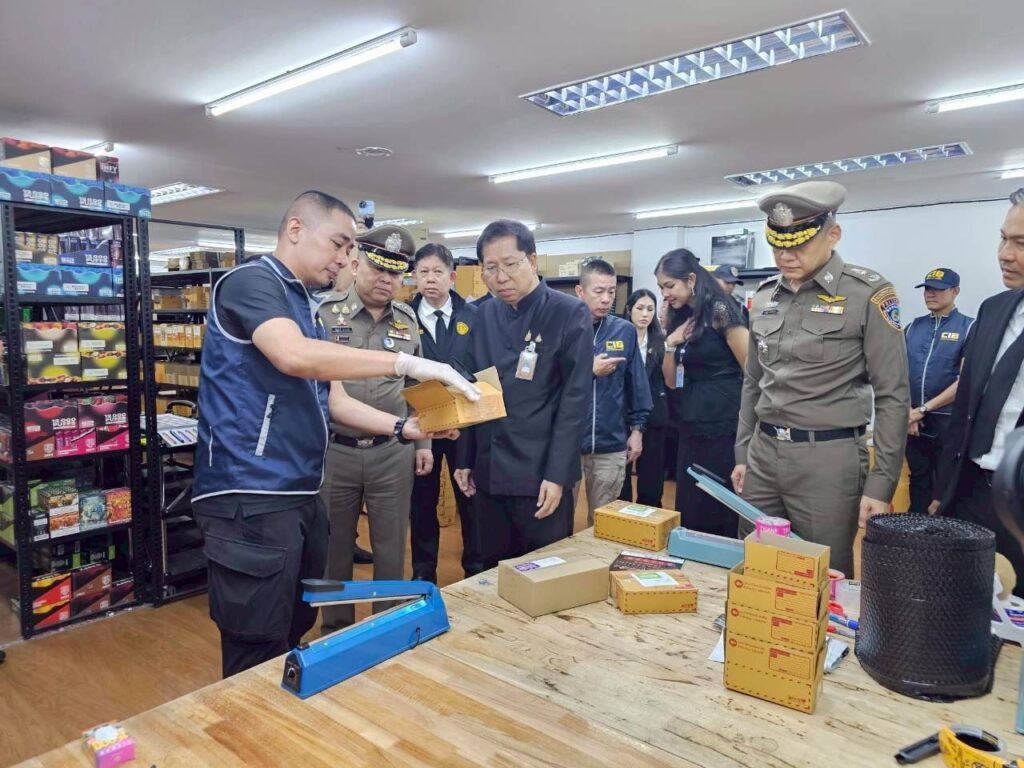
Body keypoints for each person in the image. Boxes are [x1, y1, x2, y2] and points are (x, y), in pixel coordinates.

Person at [191, 192, 477, 677]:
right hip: (251, 493)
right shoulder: (251, 282)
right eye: (339, 244)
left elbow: (335, 400)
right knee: (255, 644)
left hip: (298, 492)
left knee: (292, 626)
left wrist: (403, 427)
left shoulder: (301, 304)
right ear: (295, 229)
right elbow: (293, 356)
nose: (345, 259)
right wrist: (406, 362)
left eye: (349, 249)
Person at [731, 180, 910, 576]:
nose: (785, 255)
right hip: (763, 453)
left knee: (822, 573)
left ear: (833, 235)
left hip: (828, 460)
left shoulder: (868, 294)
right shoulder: (765, 296)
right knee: (755, 564)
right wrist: (743, 452)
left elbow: (893, 395)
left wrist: (881, 483)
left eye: (798, 244)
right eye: (777, 245)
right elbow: (753, 382)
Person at [317, 225, 442, 634]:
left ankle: (385, 627)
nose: (387, 279)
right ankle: (335, 629)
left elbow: (418, 387)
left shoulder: (407, 320)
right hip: (336, 452)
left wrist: (424, 444)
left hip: (392, 452)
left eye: (395, 273)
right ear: (356, 264)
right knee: (334, 547)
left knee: (391, 546)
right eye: (378, 269)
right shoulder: (324, 315)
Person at [454, 219, 593, 568]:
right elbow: (472, 387)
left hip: (540, 475)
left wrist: (557, 475)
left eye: (510, 264)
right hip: (490, 471)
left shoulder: (568, 312)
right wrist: (465, 459)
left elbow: (574, 402)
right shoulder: (484, 314)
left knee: (542, 572)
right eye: (490, 268)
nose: (501, 277)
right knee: (491, 570)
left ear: (532, 260)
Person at [934, 188, 1024, 594]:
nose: (1005, 254)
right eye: (1003, 239)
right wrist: (944, 489)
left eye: (1021, 243)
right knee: (960, 599)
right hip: (970, 490)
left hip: (1019, 496)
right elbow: (967, 404)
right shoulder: (994, 309)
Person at [657, 250, 748, 536]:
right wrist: (670, 343)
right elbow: (671, 381)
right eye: (661, 287)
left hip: (724, 422)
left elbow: (752, 370)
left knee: (719, 503)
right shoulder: (681, 315)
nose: (665, 294)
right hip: (690, 421)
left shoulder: (720, 309)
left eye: (669, 285)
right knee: (692, 501)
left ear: (691, 279)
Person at [408, 242, 481, 582]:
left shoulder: (474, 316)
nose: (430, 279)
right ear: (415, 277)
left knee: (470, 496)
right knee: (422, 501)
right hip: (422, 424)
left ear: (452, 277)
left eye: (437, 272)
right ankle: (424, 574)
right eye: (423, 272)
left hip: (465, 424)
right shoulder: (404, 318)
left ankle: (475, 569)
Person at [574, 259, 651, 527]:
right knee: (556, 522)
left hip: (610, 444)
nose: (606, 299)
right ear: (580, 291)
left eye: (611, 292)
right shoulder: (563, 329)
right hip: (568, 443)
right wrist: (588, 370)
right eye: (599, 291)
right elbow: (548, 381)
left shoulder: (624, 331)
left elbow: (637, 385)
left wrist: (638, 430)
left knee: (603, 522)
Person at [903, 268, 973, 513]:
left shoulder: (969, 327)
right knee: (918, 480)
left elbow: (966, 380)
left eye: (938, 289)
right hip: (914, 422)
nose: (930, 294)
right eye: (927, 289)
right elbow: (897, 374)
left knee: (944, 488)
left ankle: (941, 535)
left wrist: (923, 408)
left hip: (948, 421)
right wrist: (909, 412)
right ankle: (913, 531)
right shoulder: (913, 327)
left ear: (955, 292)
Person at [619, 289, 668, 507]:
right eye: (640, 308)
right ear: (629, 309)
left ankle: (650, 516)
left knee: (652, 475)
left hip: (654, 415)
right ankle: (622, 515)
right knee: (621, 475)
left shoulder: (661, 341)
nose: (645, 314)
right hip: (622, 413)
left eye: (650, 309)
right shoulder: (618, 337)